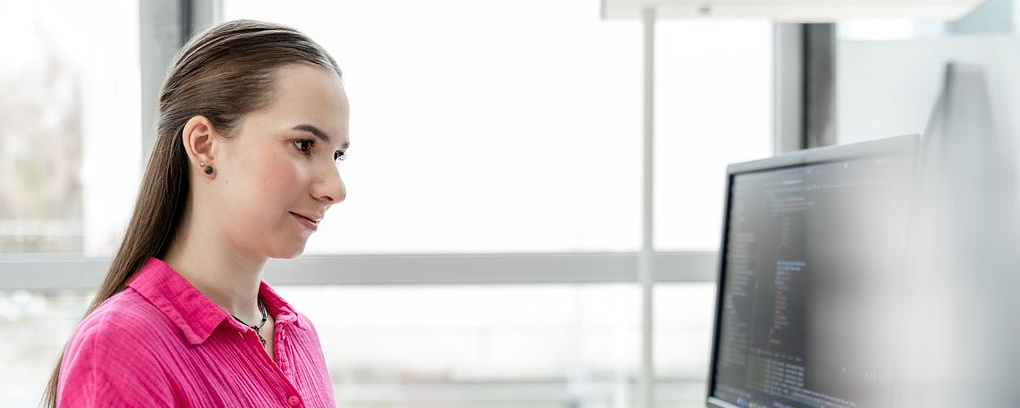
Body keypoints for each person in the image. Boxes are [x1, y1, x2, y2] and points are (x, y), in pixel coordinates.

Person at [42, 19, 349, 407]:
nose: (335, 189)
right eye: (304, 145)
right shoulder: (122, 346)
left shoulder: (299, 336)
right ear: (204, 145)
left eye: (338, 156)